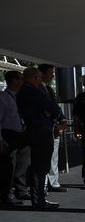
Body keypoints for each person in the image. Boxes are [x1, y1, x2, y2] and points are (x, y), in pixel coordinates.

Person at [16, 68, 64, 209]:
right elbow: (54, 108)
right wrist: (51, 115)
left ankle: (37, 198)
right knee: (41, 167)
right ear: (35, 78)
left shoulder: (21, 93)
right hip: (42, 132)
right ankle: (39, 201)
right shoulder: (34, 92)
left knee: (34, 166)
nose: (39, 81)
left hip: (30, 130)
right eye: (38, 78)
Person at [38, 64, 67, 193]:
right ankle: (43, 186)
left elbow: (55, 107)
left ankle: (53, 183)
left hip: (54, 127)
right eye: (50, 73)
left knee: (53, 157)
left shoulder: (49, 89)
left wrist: (62, 120)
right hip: (44, 128)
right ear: (41, 74)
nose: (53, 75)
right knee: (44, 158)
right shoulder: (37, 89)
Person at [0, 71, 27, 206]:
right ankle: (7, 195)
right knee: (9, 167)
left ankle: (20, 190)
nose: (23, 81)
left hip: (21, 134)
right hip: (8, 134)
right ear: (14, 81)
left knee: (22, 164)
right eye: (21, 79)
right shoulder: (3, 97)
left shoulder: (21, 97)